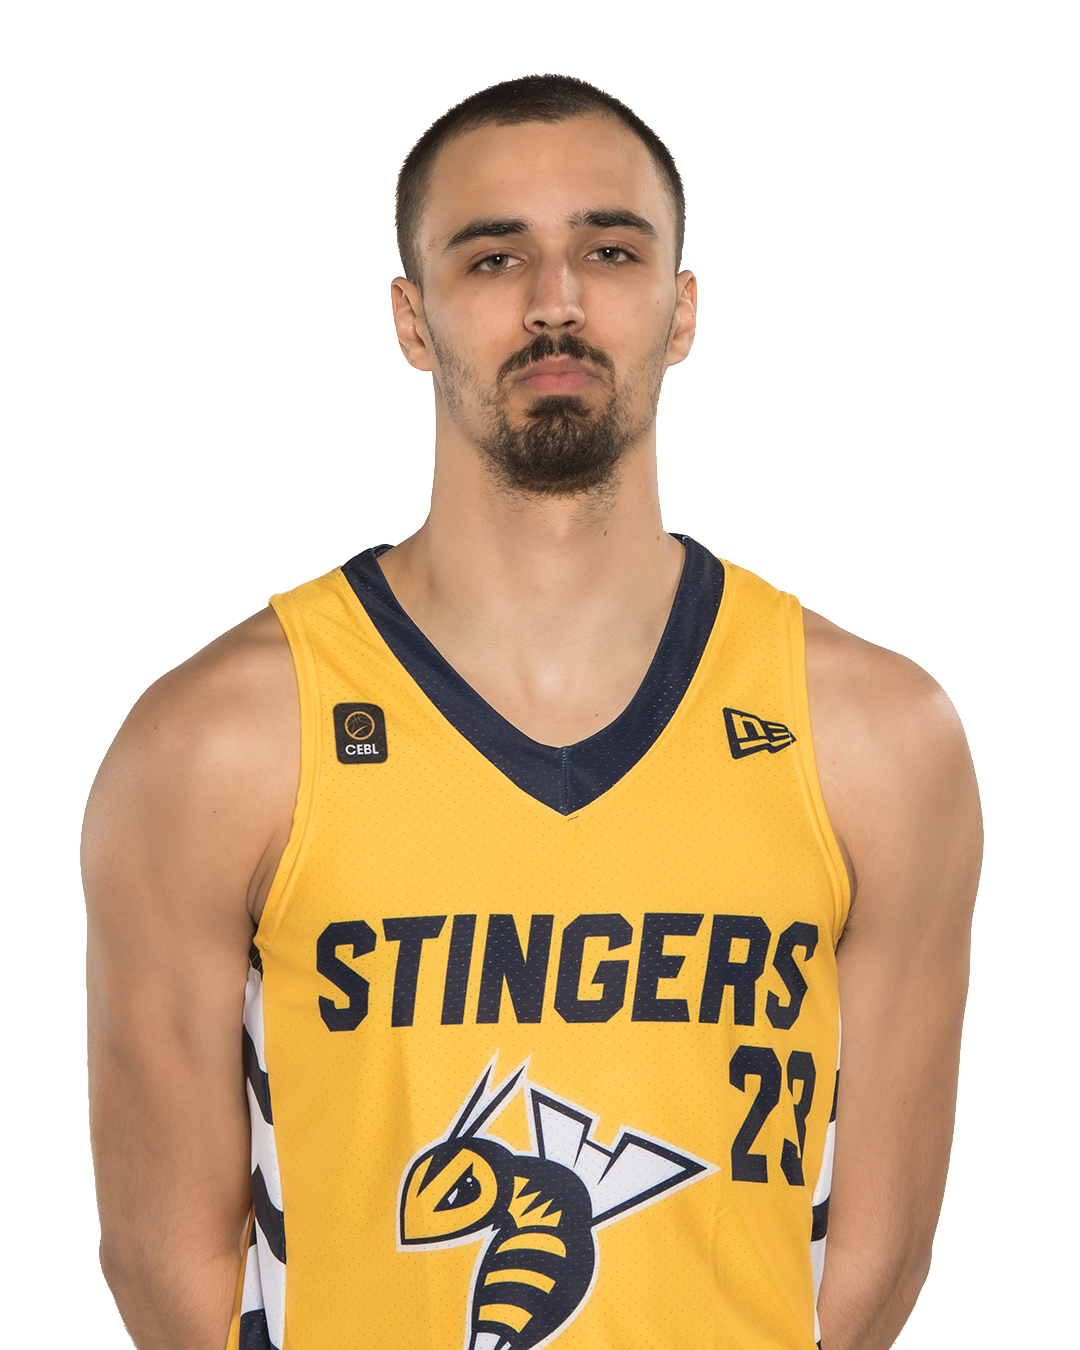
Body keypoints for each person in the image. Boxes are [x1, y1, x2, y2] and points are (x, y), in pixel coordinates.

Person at [82, 74, 982, 1350]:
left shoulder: (881, 739)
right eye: (494, 256)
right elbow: (162, 1263)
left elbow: (874, 1269)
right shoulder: (214, 744)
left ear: (681, 309)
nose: (556, 300)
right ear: (413, 318)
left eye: (610, 251)